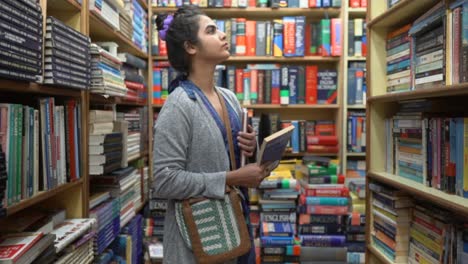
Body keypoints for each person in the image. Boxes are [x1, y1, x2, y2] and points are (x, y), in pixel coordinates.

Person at [152, 6, 270, 264]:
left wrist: (248, 149)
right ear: (191, 47)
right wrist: (231, 177)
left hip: (235, 228)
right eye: (211, 30)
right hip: (195, 242)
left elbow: (226, 157)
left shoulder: (228, 97)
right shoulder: (179, 104)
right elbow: (163, 180)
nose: (223, 34)